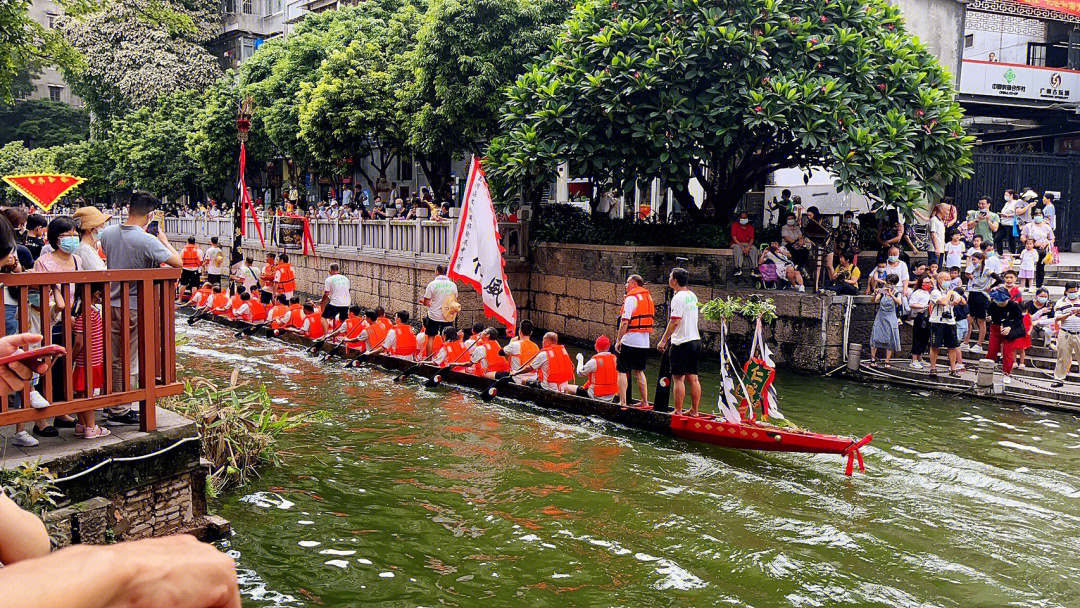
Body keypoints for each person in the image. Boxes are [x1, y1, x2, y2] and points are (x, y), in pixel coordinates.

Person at [99, 193, 181, 427]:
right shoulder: (147, 240)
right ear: (150, 215)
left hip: (111, 303)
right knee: (131, 358)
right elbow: (177, 263)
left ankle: (113, 403)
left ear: (128, 209)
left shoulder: (107, 233)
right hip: (135, 306)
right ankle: (122, 407)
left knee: (115, 356)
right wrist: (163, 240)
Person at [657, 268, 702, 416]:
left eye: (670, 277)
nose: (669, 279)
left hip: (682, 342)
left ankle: (677, 411)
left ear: (675, 281)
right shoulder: (692, 295)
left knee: (678, 378)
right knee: (693, 378)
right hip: (695, 340)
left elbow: (675, 321)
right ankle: (694, 410)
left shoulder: (677, 298)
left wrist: (664, 340)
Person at [70, 283, 109, 439]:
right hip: (89, 361)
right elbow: (79, 342)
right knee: (88, 394)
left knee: (81, 393)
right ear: (97, 294)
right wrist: (71, 358)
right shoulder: (88, 313)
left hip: (88, 361)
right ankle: (91, 427)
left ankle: (81, 424)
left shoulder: (84, 311)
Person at [614, 274, 652, 408]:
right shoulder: (648, 297)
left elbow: (625, 322)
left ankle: (623, 401)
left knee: (622, 370)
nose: (625, 285)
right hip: (644, 342)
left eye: (627, 282)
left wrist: (619, 340)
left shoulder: (631, 298)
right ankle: (645, 401)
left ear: (634, 284)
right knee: (639, 371)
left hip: (630, 340)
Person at [928, 272, 964, 376]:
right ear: (939, 280)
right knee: (935, 346)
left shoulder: (951, 291)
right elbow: (943, 302)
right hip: (937, 321)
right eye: (946, 279)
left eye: (949, 279)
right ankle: (933, 368)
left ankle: (953, 368)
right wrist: (949, 294)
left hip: (950, 321)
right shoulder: (935, 292)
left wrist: (959, 298)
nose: (948, 281)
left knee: (952, 346)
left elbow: (963, 302)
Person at [986, 288, 1026, 384]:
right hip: (995, 328)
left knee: (1008, 353)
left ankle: (1007, 373)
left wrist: (1009, 328)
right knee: (992, 350)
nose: (1000, 304)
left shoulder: (1014, 306)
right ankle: (986, 370)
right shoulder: (992, 305)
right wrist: (988, 318)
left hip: (1009, 329)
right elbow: (990, 315)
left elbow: (1019, 319)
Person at [962, 252, 999, 354]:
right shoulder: (973, 269)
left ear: (981, 260)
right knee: (969, 319)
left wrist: (990, 287)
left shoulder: (987, 270)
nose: (973, 262)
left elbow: (999, 279)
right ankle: (965, 342)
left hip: (982, 296)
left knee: (980, 322)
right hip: (972, 294)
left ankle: (979, 344)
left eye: (975, 260)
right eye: (972, 260)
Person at [420, 265, 459, 355]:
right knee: (447, 338)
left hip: (434, 315)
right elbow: (455, 300)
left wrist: (428, 303)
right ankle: (447, 358)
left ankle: (428, 359)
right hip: (447, 316)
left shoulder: (432, 284)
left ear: (437, 272)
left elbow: (426, 302)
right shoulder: (453, 285)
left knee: (431, 338)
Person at [567, 335, 618, 401]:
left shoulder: (594, 361)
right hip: (612, 396)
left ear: (595, 347)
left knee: (566, 387)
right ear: (608, 347)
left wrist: (580, 359)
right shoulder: (615, 359)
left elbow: (580, 374)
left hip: (595, 396)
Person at [869, 274, 902, 366]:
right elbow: (874, 301)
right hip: (881, 315)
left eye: (891, 283)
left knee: (890, 338)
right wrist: (876, 293)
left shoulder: (897, 293)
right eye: (888, 283)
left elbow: (899, 302)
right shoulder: (882, 291)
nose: (889, 285)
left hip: (891, 316)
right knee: (875, 336)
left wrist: (891, 295)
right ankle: (873, 359)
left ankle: (887, 361)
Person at [1052, 282, 1080, 388]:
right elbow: (1057, 318)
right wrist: (1069, 314)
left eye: (1075, 292)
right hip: (1065, 332)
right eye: (1071, 292)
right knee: (1062, 356)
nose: (1073, 293)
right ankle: (1059, 378)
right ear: (1066, 291)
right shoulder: (1060, 302)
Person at [1020, 208, 1054, 289]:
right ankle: (1028, 285)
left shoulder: (1047, 227)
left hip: (1042, 249)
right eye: (1036, 215)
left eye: (1040, 215)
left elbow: (1052, 238)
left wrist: (1046, 243)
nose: (1038, 216)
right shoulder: (1028, 226)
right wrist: (1031, 243)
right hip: (1031, 249)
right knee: (1028, 266)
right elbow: (1022, 237)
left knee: (1040, 267)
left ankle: (1039, 284)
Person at [71, 206, 110, 272]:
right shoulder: (84, 249)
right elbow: (100, 273)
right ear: (90, 228)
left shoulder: (87, 247)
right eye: (102, 224)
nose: (104, 227)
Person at [907, 275, 934, 369]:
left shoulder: (930, 292)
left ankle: (920, 357)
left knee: (925, 338)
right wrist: (922, 306)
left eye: (928, 282)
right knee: (918, 337)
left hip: (929, 317)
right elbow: (911, 304)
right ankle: (914, 359)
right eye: (925, 282)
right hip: (920, 316)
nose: (927, 284)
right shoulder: (917, 292)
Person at [502, 319, 539, 384]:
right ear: (531, 332)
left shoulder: (514, 344)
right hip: (533, 377)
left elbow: (501, 353)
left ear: (520, 331)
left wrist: (511, 343)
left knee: (494, 375)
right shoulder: (536, 346)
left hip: (517, 378)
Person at [729, 211, 758, 277]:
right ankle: (738, 268)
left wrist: (748, 248)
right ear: (739, 218)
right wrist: (742, 247)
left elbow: (751, 239)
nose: (744, 219)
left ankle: (754, 268)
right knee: (737, 248)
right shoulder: (735, 225)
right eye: (742, 217)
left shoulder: (750, 227)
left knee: (753, 249)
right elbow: (734, 237)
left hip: (747, 244)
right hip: (736, 243)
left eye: (745, 218)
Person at [178, 237, 204, 301]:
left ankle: (180, 299)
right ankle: (192, 300)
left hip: (185, 269)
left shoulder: (183, 250)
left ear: (188, 242)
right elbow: (201, 261)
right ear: (195, 242)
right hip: (195, 270)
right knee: (194, 285)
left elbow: (180, 260)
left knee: (183, 284)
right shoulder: (199, 250)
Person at [996, 189, 1019, 254]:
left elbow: (1017, 213)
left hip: (1010, 223)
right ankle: (1000, 253)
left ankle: (1013, 253)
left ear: (1011, 195)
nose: (1005, 196)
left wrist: (1007, 215)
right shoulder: (1006, 203)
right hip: (1003, 222)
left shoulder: (1015, 203)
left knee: (1011, 239)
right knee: (998, 238)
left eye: (1006, 195)